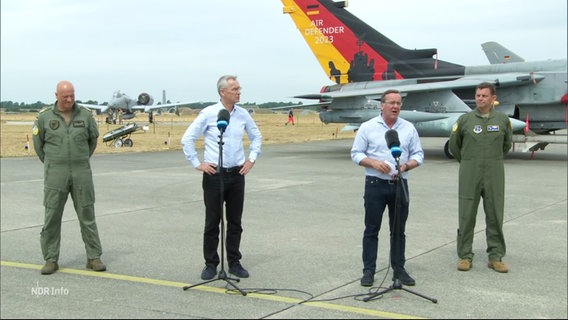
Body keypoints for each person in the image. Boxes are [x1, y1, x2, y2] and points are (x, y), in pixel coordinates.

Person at [181, 75, 262, 280]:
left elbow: (256, 136)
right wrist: (197, 163)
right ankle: (211, 263)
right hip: (214, 174)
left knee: (235, 222)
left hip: (237, 174)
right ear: (222, 92)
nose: (238, 91)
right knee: (212, 222)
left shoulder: (243, 114)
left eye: (239, 88)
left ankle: (234, 261)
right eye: (234, 89)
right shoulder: (209, 113)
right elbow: (188, 139)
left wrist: (251, 159)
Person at [351, 89, 424, 287]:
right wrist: (373, 163)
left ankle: (399, 270)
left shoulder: (408, 128)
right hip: (375, 185)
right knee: (371, 229)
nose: (395, 107)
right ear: (381, 105)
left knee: (398, 230)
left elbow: (419, 154)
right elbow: (356, 154)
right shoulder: (367, 127)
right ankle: (368, 271)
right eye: (391, 102)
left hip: (400, 184)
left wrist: (406, 165)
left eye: (399, 103)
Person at [32, 80, 106, 275]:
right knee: (52, 217)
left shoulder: (86, 115)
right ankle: (50, 259)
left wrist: (79, 159)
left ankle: (94, 257)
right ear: (56, 95)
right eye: (65, 96)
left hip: (81, 172)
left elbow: (92, 141)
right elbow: (39, 147)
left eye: (72, 95)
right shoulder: (44, 117)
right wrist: (54, 163)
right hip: (55, 173)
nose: (70, 99)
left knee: (87, 215)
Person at [449, 82, 513, 273]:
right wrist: (469, 161)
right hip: (470, 171)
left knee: (495, 213)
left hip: (494, 171)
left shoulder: (502, 120)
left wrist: (491, 160)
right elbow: (454, 146)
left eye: (484, 96)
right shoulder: (465, 120)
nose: (480, 99)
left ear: (493, 98)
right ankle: (465, 256)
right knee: (466, 214)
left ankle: (496, 256)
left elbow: (506, 145)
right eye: (478, 95)